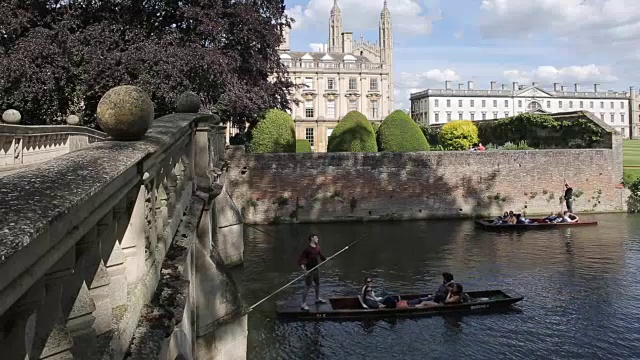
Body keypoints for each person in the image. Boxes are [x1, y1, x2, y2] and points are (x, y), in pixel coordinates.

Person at [298, 234, 327, 310]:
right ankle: (303, 303)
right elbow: (302, 260)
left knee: (317, 284)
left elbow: (321, 256)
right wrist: (304, 271)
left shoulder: (318, 248)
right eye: (316, 238)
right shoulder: (307, 250)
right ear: (312, 239)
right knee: (307, 286)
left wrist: (326, 258)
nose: (317, 239)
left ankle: (317, 298)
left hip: (316, 269)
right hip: (309, 270)